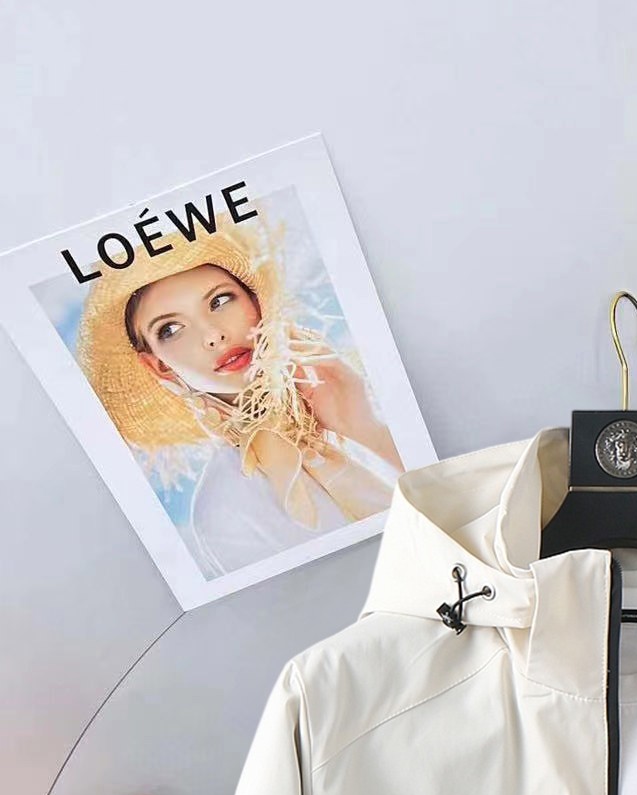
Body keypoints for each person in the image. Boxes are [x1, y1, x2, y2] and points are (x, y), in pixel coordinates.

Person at [78, 224, 404, 575]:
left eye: (219, 301)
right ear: (159, 366)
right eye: (170, 329)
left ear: (255, 300)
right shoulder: (222, 509)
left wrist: (367, 428)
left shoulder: (372, 388)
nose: (213, 335)